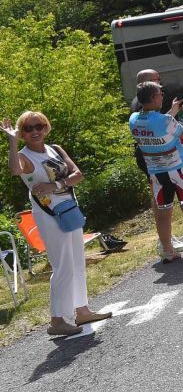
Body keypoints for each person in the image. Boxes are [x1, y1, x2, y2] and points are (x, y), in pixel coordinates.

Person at [3, 113, 113, 336]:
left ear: (46, 127)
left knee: (77, 261)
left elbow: (78, 175)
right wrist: (12, 141)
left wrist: (56, 185)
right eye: (28, 128)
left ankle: (82, 310)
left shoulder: (55, 149)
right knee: (62, 265)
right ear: (22, 133)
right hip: (48, 213)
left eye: (39, 126)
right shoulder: (24, 156)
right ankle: (57, 320)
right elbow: (15, 170)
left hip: (68, 208)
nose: (35, 131)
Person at [128, 82, 183, 262]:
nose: (162, 96)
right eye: (160, 94)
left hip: (156, 173)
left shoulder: (134, 119)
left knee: (163, 213)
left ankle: (168, 251)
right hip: (178, 169)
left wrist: (173, 111)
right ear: (153, 97)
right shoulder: (165, 120)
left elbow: (157, 125)